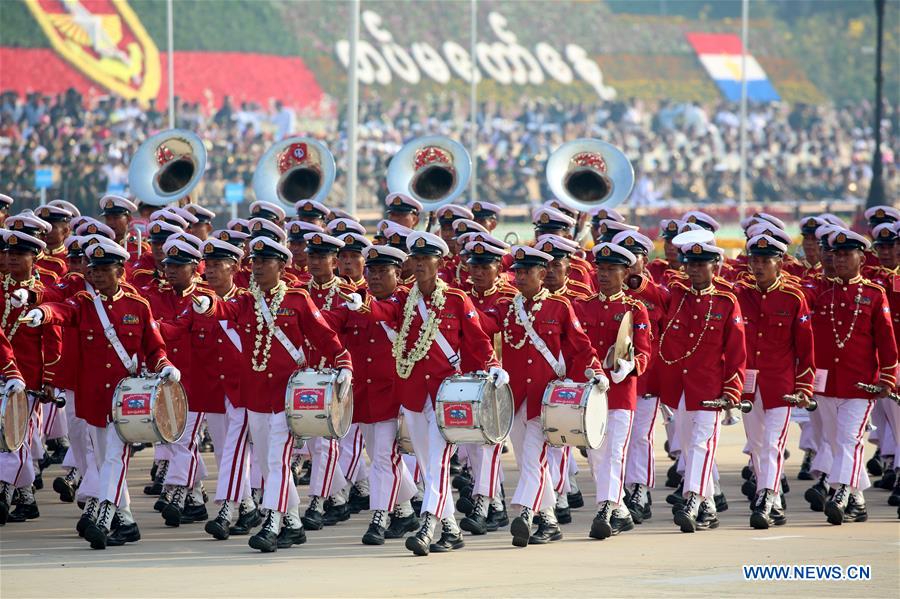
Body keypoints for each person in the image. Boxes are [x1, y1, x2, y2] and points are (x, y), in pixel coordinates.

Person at [346, 231, 501, 556]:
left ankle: (428, 524)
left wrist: (492, 365)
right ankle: (452, 529)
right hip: (414, 395)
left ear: (439, 263)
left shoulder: (457, 299)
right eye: (413, 260)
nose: (417, 265)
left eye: (423, 259)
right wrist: (363, 305)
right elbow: (382, 312)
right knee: (431, 467)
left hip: (447, 396)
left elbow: (477, 339)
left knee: (439, 461)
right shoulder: (404, 299)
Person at [193, 236, 352, 552]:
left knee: (278, 460)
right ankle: (293, 521)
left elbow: (323, 333)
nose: (259, 267)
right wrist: (209, 305)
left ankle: (273, 521)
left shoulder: (296, 299)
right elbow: (225, 307)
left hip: (287, 395)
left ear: (282, 266)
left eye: (266, 262)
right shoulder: (248, 300)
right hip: (255, 396)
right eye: (255, 262)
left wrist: (343, 361)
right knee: (267, 462)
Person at [25, 241, 178, 549]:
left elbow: (154, 346)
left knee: (114, 457)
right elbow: (61, 310)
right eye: (93, 270)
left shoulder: (137, 306)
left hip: (127, 399)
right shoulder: (83, 302)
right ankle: (127, 521)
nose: (96, 276)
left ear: (120, 272)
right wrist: (41, 312)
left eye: (104, 270)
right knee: (104, 456)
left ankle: (104, 515)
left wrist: (165, 365)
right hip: (93, 398)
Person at [478, 245, 599, 548]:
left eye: (526, 272)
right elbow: (480, 323)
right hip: (515, 398)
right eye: (516, 271)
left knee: (534, 457)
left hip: (545, 398)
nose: (518, 277)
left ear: (542, 274)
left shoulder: (559, 307)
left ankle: (525, 512)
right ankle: (549, 520)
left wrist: (595, 370)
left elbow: (580, 345)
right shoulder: (507, 307)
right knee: (528, 460)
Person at [323, 245, 420, 545]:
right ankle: (404, 510)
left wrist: (361, 306)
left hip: (393, 391)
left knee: (382, 456)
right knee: (380, 455)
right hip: (364, 393)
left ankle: (380, 515)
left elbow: (386, 312)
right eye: (372, 272)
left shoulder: (405, 299)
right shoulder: (355, 298)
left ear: (398, 273)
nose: (375, 277)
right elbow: (328, 322)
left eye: (382, 272)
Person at [804, 229, 897, 525]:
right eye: (836, 254)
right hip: (826, 381)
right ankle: (857, 500)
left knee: (848, 439)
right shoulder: (818, 290)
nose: (840, 259)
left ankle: (841, 491)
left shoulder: (873, 293)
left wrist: (888, 377)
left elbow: (886, 340)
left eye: (847, 254)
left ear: (861, 258)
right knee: (835, 441)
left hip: (860, 382)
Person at [657, 239, 746, 533]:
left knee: (701, 445)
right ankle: (708, 507)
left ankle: (693, 499)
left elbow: (736, 351)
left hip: (710, 388)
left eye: (700, 265)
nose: (693, 270)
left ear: (714, 266)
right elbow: (653, 301)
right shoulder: (677, 294)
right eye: (690, 265)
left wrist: (732, 390)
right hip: (681, 387)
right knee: (688, 445)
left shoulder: (726, 300)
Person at [734, 234, 815, 529]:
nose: (758, 266)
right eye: (754, 260)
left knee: (772, 444)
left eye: (765, 261)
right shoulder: (740, 295)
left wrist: (805, 385)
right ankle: (775, 501)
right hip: (747, 384)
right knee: (756, 444)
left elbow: (806, 349)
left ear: (778, 262)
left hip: (781, 385)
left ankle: (766, 494)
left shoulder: (794, 298)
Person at [577, 242, 652, 539]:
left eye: (612, 270)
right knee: (596, 453)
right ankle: (619, 508)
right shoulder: (583, 306)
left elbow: (645, 350)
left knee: (614, 453)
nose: (604, 275)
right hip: (591, 393)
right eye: (601, 269)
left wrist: (632, 366)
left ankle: (606, 508)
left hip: (621, 392)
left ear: (625, 273)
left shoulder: (636, 308)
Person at [0, 230, 62, 524]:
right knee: (10, 437)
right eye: (9, 254)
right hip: (4, 373)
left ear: (33, 257)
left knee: (16, 438)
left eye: (19, 254)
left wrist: (49, 379)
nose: (11, 258)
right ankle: (26, 498)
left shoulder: (44, 293)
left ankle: (3, 491)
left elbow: (53, 340)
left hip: (28, 377)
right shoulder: (0, 287)